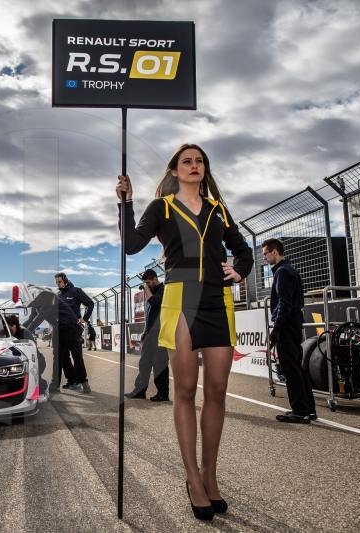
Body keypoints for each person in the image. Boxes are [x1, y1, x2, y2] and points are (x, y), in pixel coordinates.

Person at [117, 143, 253, 520]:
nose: (194, 166)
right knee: (185, 390)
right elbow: (130, 245)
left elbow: (244, 251)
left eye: (200, 161)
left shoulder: (218, 210)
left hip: (217, 301)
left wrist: (240, 269)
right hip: (180, 299)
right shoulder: (161, 207)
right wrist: (124, 203)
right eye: (186, 161)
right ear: (175, 170)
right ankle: (192, 477)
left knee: (217, 392)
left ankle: (210, 475)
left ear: (205, 169)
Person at [262, 238, 316, 423]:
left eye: (265, 254)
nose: (264, 258)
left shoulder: (283, 272)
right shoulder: (290, 270)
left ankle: (300, 411)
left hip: (286, 325)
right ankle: (309, 409)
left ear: (274, 252)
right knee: (297, 368)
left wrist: (276, 329)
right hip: (293, 323)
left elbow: (284, 303)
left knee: (290, 368)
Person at [125, 268, 170, 402]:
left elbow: (155, 302)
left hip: (160, 334)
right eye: (146, 283)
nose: (147, 285)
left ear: (155, 279)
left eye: (149, 282)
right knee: (144, 364)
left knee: (159, 365)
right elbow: (149, 316)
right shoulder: (150, 293)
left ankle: (163, 394)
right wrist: (145, 332)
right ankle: (139, 391)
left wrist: (146, 289)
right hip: (150, 334)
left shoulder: (164, 290)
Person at [54, 273, 93, 392]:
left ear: (65, 280)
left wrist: (85, 319)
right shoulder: (58, 295)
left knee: (77, 357)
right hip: (61, 330)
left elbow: (90, 303)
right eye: (56, 283)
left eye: (59, 282)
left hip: (74, 330)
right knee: (63, 357)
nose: (58, 284)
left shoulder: (76, 291)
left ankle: (84, 382)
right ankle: (72, 380)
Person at [5, 314, 47, 390]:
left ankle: (42, 384)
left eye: (9, 328)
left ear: (14, 326)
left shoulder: (24, 334)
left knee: (32, 385)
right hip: (25, 362)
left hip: (37, 362)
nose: (8, 331)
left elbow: (32, 352)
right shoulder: (9, 335)